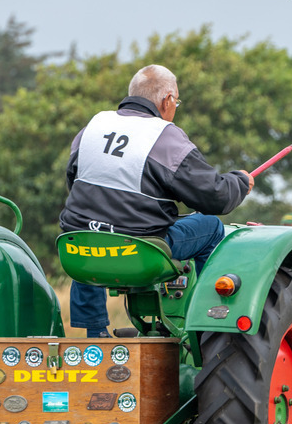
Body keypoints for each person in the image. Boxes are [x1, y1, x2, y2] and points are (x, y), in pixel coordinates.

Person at [59, 64, 254, 337]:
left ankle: (96, 334)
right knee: (210, 225)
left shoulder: (92, 126)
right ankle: (209, 322)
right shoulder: (165, 136)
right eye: (177, 102)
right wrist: (240, 182)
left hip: (78, 250)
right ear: (168, 100)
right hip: (140, 251)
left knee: (87, 229)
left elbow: (74, 182)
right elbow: (214, 198)